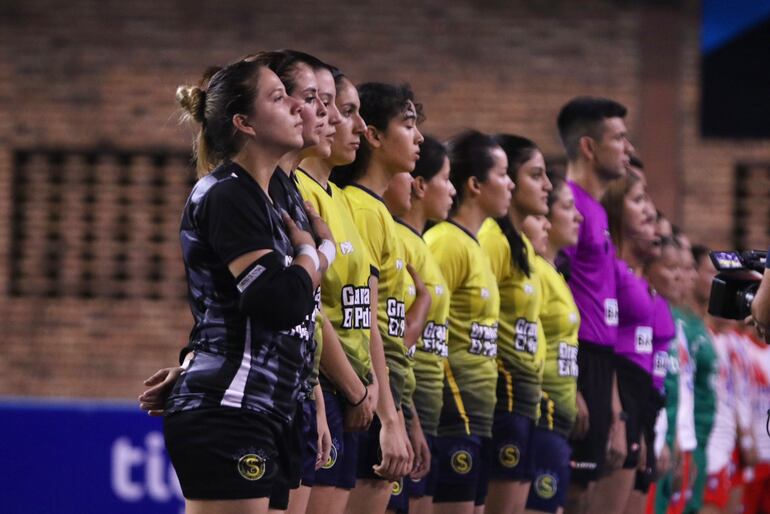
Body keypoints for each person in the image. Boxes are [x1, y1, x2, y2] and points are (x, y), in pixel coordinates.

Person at [164, 57, 332, 514]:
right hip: (230, 408)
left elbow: (296, 307)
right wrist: (312, 254)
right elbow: (277, 303)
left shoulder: (268, 196)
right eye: (279, 98)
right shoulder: (227, 192)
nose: (300, 108)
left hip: (268, 407)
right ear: (245, 123)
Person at [333, 82, 423, 514]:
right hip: (368, 404)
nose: (419, 137)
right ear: (373, 135)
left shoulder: (377, 211)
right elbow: (365, 320)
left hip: (384, 401)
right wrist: (390, 418)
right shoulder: (361, 209)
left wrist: (402, 415)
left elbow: (391, 329)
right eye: (408, 125)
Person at [295, 66, 379, 514]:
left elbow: (366, 311)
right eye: (347, 111)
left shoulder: (343, 200)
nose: (357, 127)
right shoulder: (299, 193)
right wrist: (353, 388)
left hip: (354, 392)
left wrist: (373, 390)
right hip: (325, 386)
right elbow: (310, 306)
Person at [425, 130, 513, 514]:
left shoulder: (476, 245)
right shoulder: (446, 241)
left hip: (479, 415)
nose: (509, 184)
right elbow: (427, 327)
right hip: (450, 413)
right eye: (503, 174)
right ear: (475, 185)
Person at [556, 97, 634, 514]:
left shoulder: (598, 212)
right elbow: (553, 297)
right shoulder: (568, 207)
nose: (628, 148)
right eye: (619, 138)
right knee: (569, 493)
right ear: (589, 147)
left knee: (587, 493)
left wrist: (616, 409)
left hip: (601, 362)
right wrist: (570, 383)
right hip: (577, 360)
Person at [477, 134, 552, 514]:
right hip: (500, 396)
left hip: (524, 396)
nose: (548, 185)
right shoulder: (492, 238)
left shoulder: (520, 244)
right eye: (536, 175)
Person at [384, 135, 456, 514]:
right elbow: (395, 342)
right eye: (446, 178)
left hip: (425, 410)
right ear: (419, 184)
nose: (453, 190)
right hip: (400, 409)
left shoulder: (423, 245)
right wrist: (403, 418)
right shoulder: (396, 240)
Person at [593, 167, 658, 514]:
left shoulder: (630, 272)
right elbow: (606, 342)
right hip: (616, 388)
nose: (649, 209)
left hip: (638, 395)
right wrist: (617, 414)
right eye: (638, 199)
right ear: (617, 207)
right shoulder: (610, 266)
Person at [521, 171, 583, 514]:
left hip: (558, 416)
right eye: (567, 207)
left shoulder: (553, 272)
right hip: (539, 413)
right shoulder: (534, 271)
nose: (577, 217)